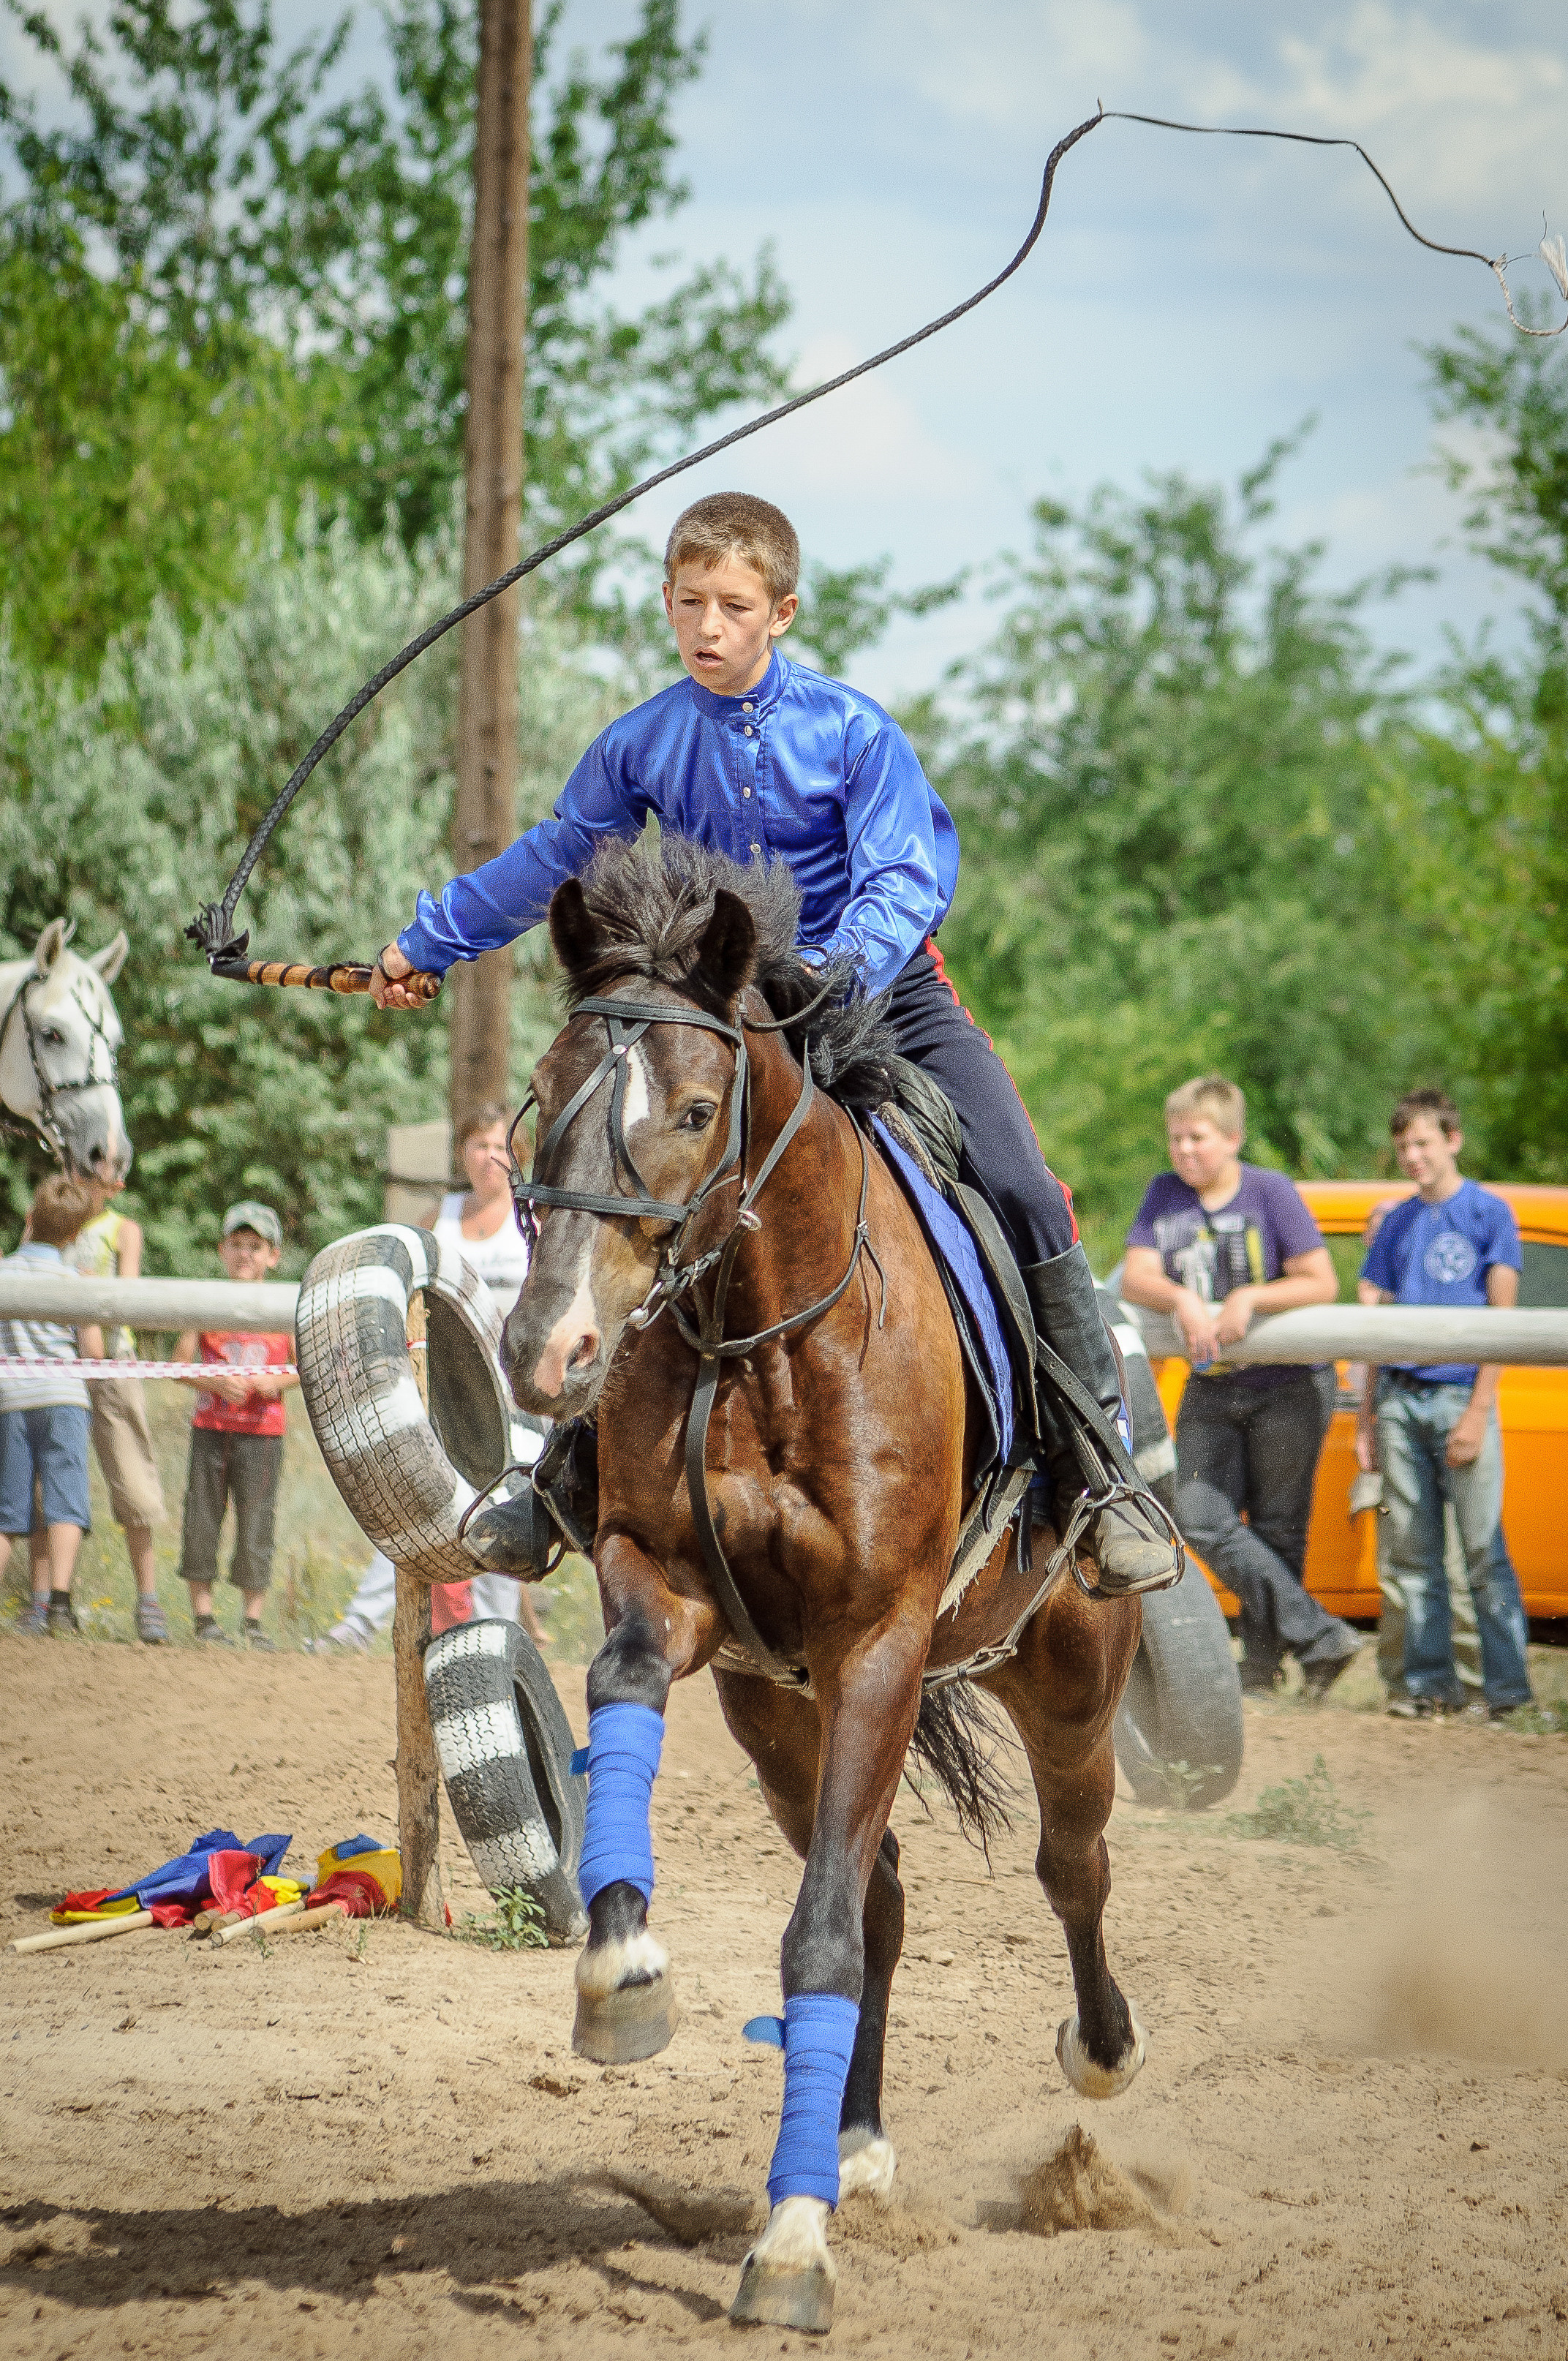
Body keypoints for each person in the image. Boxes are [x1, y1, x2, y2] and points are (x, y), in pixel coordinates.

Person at [370, 492, 1176, 1595]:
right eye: (689, 603)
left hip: (882, 1001)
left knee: (1029, 1190)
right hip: (724, 1023)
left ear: (782, 612)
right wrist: (430, 941)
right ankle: (567, 1473)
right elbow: (558, 856)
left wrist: (831, 972)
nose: (708, 626)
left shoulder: (854, 732)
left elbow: (907, 879)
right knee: (650, 1190)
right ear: (665, 601)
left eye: (733, 606)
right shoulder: (641, 742)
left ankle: (1102, 1474)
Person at [1120, 1074, 1360, 1696]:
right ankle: (1321, 1637)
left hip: (1289, 1387)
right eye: (1175, 1138)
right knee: (1197, 1516)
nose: (1184, 1150)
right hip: (1211, 1387)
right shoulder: (1164, 1195)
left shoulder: (1269, 1192)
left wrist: (1252, 1296)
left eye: (1197, 1137)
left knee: (1279, 1528)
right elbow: (1137, 1276)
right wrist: (1184, 1301)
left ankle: (1262, 1669)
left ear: (1231, 1138)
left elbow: (1319, 1280)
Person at [317, 1105, 550, 1652]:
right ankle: (360, 1624)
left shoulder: (533, 1218)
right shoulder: (438, 1214)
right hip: (444, 1387)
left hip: (512, 1392)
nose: (490, 1158)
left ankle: (502, 1635)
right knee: (413, 1500)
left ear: (518, 1158)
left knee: (505, 1508)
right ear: (463, 1153)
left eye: (501, 1148)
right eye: (479, 1145)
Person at [1355, 1089, 1532, 1720]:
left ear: (1453, 1140)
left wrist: (1478, 1412)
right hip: (1402, 1399)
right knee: (1411, 1554)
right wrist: (1368, 1415)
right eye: (1403, 1146)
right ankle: (1427, 1689)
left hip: (1463, 1396)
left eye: (1423, 1143)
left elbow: (1503, 1323)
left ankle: (1508, 1696)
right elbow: (1372, 1321)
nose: (1412, 1156)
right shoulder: (1397, 1221)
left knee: (1484, 1552)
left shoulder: (1490, 1214)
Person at [170, 1202, 297, 1647]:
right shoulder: (208, 1304)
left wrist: (272, 1380)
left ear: (272, 1255)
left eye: (255, 1246)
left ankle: (253, 1621)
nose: (245, 1255)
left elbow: (301, 1368)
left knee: (256, 1522)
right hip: (212, 1427)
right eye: (237, 1245)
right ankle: (203, 1617)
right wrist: (213, 1380)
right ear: (223, 1250)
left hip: (263, 1433)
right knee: (202, 1517)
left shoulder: (285, 1305)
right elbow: (179, 1364)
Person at [0, 1176, 103, 1635]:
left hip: (13, 1398)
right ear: (75, 1234)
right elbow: (95, 1351)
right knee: (65, 1501)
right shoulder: (73, 1281)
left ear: (30, 1220)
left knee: (8, 1509)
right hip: (63, 1398)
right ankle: (59, 1603)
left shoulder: (4, 1272)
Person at [69, 1177, 170, 1643]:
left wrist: (89, 1296)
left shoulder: (122, 1228)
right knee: (44, 1479)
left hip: (112, 1361)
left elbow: (126, 1298)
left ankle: (147, 1596)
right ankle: (47, 1597)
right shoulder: (50, 1223)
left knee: (133, 1479)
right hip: (54, 1362)